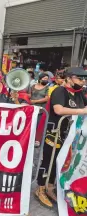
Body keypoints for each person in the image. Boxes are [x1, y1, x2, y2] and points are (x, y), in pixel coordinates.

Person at [35, 67, 87, 208]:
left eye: (84, 79)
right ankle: (40, 188)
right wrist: (81, 111)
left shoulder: (80, 93)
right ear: (69, 78)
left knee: (63, 161)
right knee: (49, 161)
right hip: (55, 132)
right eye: (80, 78)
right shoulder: (59, 91)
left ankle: (51, 187)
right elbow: (59, 109)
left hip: (71, 135)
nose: (83, 81)